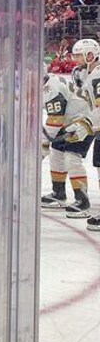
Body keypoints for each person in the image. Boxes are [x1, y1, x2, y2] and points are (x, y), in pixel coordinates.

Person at [41, 73, 92, 216]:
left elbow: (55, 119)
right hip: (68, 121)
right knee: (56, 155)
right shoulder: (48, 81)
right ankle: (59, 194)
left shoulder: (51, 88)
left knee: (71, 157)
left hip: (83, 120)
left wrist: (42, 146)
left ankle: (83, 201)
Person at [69, 39, 100, 230]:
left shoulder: (98, 76)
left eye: (80, 55)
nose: (76, 59)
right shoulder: (87, 75)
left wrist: (86, 124)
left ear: (91, 55)